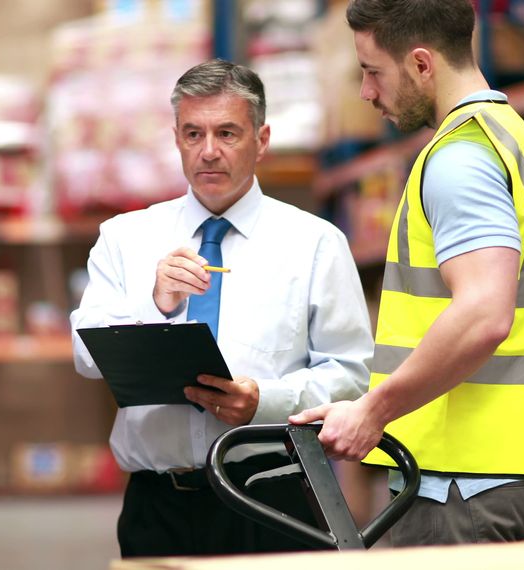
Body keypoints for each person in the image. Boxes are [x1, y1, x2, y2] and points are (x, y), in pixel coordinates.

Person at [290, 0, 524, 546]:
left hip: (462, 487)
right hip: (515, 473)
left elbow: (484, 313)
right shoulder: (514, 139)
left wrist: (373, 411)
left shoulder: (460, 159)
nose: (366, 93)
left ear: (422, 64)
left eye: (373, 72)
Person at [70, 59, 374, 558]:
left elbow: (352, 375)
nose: (208, 151)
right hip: (158, 504)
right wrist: (154, 302)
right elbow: (86, 356)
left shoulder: (315, 243)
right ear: (175, 139)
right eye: (193, 133)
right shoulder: (126, 238)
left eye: (227, 133)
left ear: (262, 138)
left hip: (274, 502)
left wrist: (265, 403)